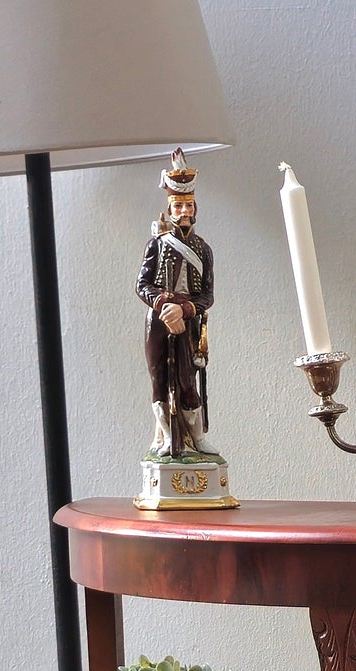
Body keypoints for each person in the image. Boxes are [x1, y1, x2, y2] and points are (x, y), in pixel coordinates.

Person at [137, 148, 214, 457]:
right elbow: (142, 284)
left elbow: (207, 295)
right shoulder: (157, 244)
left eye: (188, 205)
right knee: (159, 378)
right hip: (158, 321)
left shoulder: (203, 249)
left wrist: (183, 308)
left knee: (186, 381)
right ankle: (168, 437)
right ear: (170, 208)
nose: (183, 211)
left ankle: (196, 438)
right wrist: (163, 303)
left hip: (188, 322)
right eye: (177, 205)